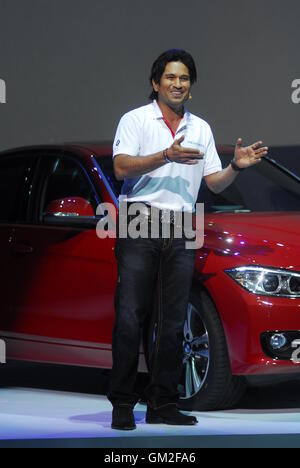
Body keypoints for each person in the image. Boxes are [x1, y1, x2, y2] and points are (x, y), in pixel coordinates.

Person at [107, 49, 268, 430]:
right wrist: (166, 155)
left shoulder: (201, 129)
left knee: (173, 319)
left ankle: (163, 402)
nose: (178, 84)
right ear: (155, 83)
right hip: (139, 220)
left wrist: (234, 167)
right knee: (131, 316)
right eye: (170, 78)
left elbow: (213, 183)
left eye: (184, 79)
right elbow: (120, 166)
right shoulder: (135, 120)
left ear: (190, 87)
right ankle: (123, 405)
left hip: (181, 223)